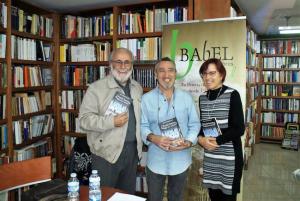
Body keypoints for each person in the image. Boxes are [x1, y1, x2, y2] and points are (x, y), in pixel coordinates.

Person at [79, 48, 143, 194]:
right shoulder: (96, 88)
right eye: (118, 62)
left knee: (127, 196)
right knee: (104, 196)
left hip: (132, 153)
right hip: (105, 155)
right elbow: (83, 120)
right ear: (110, 64)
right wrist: (111, 122)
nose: (122, 66)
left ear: (132, 65)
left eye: (127, 62)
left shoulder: (137, 88)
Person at [141, 57, 200, 201]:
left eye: (170, 70)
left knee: (177, 198)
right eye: (161, 71)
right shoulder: (146, 99)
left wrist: (188, 141)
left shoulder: (187, 98)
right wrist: (154, 138)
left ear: (175, 73)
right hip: (156, 161)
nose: (166, 75)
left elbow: (195, 124)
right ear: (155, 75)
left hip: (181, 160)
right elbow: (142, 126)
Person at [197, 58, 245, 201]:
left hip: (229, 160)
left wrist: (216, 141)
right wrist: (201, 140)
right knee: (214, 197)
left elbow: (239, 129)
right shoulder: (202, 98)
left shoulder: (232, 94)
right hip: (211, 159)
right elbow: (203, 126)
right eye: (205, 74)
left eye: (212, 73)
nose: (207, 77)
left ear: (221, 75)